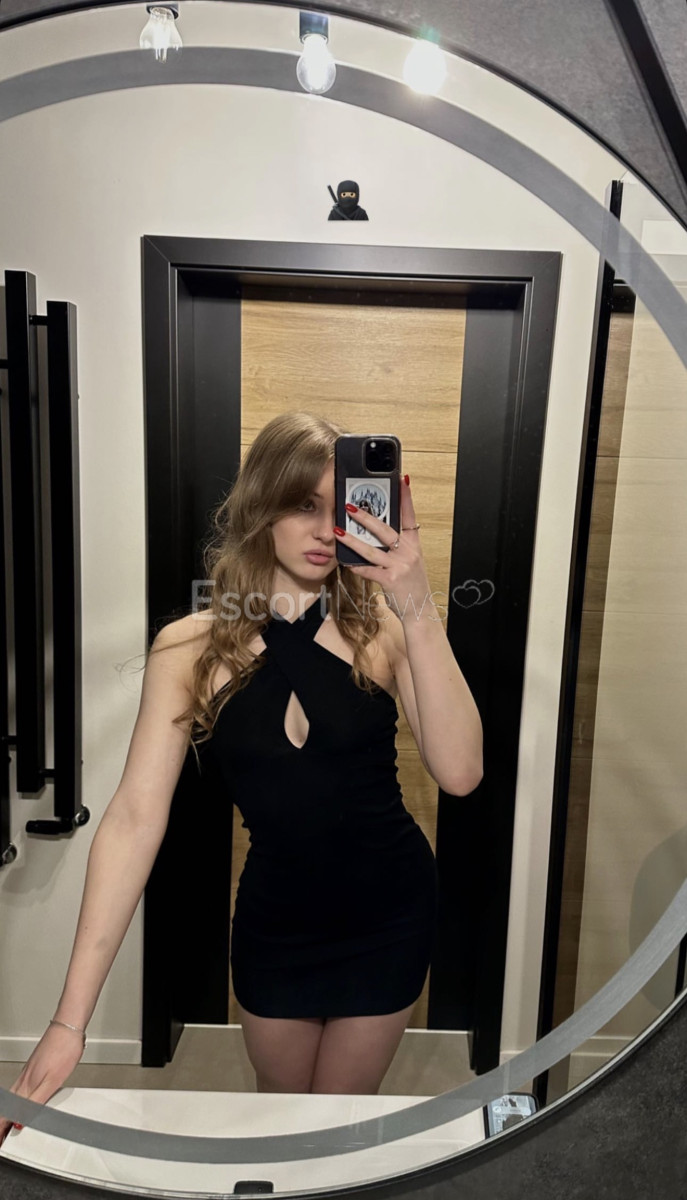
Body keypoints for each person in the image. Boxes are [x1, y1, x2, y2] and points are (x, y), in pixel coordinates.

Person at [0, 411, 482, 1144]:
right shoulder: (189, 649)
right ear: (261, 506)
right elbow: (132, 822)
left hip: (388, 913)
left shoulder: (382, 631)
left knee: (338, 1127)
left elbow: (461, 772)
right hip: (275, 923)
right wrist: (70, 1022)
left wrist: (414, 602)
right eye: (303, 505)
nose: (324, 530)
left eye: (341, 508)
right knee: (278, 1121)